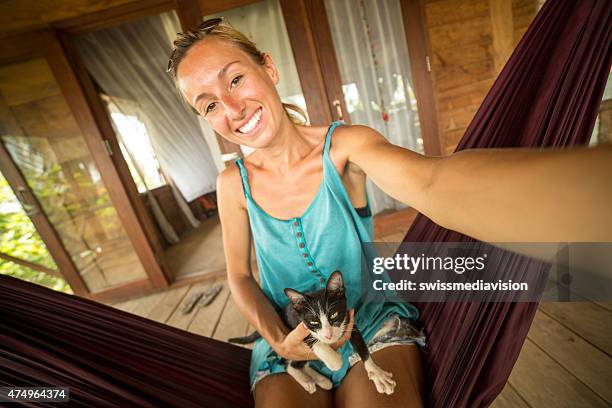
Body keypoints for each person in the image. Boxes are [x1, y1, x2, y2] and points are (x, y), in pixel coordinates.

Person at [167, 19, 612, 408]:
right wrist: (278, 338)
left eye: (235, 80)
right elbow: (240, 278)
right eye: (208, 104)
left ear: (268, 67)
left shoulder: (346, 147)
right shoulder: (233, 185)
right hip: (286, 340)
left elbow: (432, 184)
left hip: (372, 320)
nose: (232, 109)